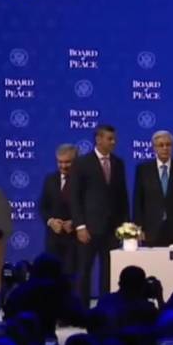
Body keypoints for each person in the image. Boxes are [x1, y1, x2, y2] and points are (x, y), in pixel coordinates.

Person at [70, 124, 130, 305]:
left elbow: (122, 196)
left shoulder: (118, 163)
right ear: (98, 139)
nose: (114, 142)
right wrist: (80, 226)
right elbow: (75, 197)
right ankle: (82, 311)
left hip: (112, 229)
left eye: (114, 139)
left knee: (109, 271)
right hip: (89, 228)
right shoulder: (82, 163)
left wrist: (125, 226)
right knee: (84, 270)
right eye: (110, 139)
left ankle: (105, 308)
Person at [133, 130, 173, 247]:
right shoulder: (143, 170)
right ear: (154, 148)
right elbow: (138, 201)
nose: (165, 148)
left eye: (168, 145)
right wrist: (138, 227)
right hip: (151, 230)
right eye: (161, 145)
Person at [39, 144, 77, 275]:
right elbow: (43, 206)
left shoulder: (84, 181)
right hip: (53, 239)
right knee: (51, 276)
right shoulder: (50, 179)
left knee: (72, 278)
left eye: (67, 162)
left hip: (75, 240)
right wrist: (51, 221)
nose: (63, 166)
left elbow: (89, 208)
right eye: (60, 162)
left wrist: (75, 223)